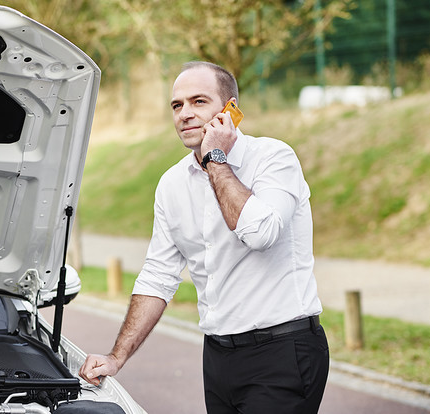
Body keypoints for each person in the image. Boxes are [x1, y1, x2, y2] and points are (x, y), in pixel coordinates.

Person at [78, 61, 329, 413]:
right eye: (177, 105)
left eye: (198, 102)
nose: (184, 114)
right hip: (218, 359)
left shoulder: (274, 158)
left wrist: (216, 157)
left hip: (283, 352)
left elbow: (259, 233)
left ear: (230, 110)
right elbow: (158, 275)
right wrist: (117, 356)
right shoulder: (171, 184)